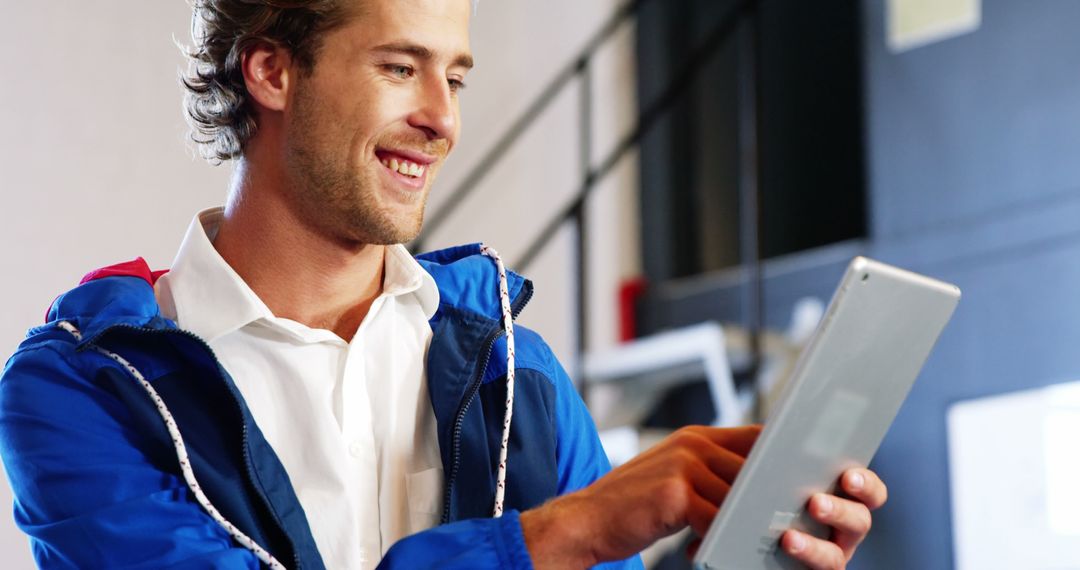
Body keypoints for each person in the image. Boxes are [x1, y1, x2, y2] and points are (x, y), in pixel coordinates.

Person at [0, 1, 887, 568]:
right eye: (399, 68)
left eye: (454, 76)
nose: (442, 119)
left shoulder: (515, 368)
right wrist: (566, 532)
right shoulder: (78, 390)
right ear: (271, 71)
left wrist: (735, 556)